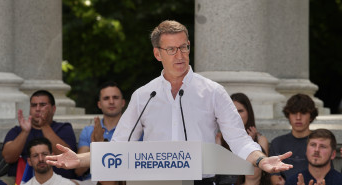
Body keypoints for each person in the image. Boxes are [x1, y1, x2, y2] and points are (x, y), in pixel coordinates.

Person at [46, 20, 293, 185]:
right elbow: (121, 144)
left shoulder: (213, 91)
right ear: (157, 54)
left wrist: (262, 160)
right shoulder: (145, 95)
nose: (180, 55)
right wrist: (82, 160)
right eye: (171, 49)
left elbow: (238, 140)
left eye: (184, 47)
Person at [1, 90, 77, 184]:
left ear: (53, 109)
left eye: (42, 105)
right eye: (34, 105)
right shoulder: (18, 130)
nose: (37, 109)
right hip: (20, 180)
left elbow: (68, 157)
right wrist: (25, 132)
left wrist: (44, 126)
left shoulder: (63, 128)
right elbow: (8, 157)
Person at [75, 81, 126, 185]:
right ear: (99, 104)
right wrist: (96, 144)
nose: (111, 102)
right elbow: (79, 170)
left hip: (123, 180)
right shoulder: (88, 131)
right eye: (106, 98)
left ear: (123, 102)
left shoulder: (134, 130)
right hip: (93, 181)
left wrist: (99, 144)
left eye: (115, 97)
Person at [215, 93, 270, 185]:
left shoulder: (260, 139)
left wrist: (250, 146)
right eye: (233, 111)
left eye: (240, 111)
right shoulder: (219, 138)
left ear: (248, 113)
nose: (236, 115)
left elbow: (260, 172)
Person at [269, 93, 318, 185]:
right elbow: (275, 177)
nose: (298, 118)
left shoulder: (320, 143)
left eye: (303, 113)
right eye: (294, 113)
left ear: (311, 116)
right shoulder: (277, 143)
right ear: (288, 115)